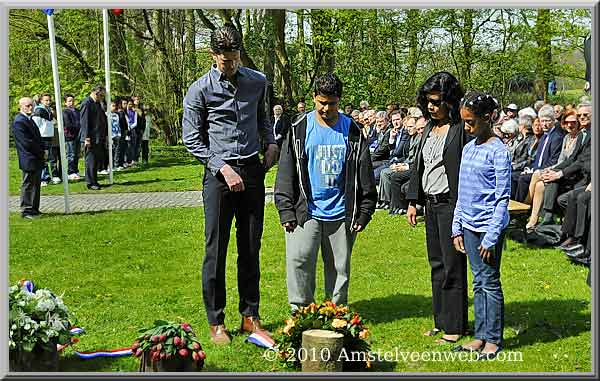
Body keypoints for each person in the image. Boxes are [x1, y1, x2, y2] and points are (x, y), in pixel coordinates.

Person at [182, 24, 278, 345]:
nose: (231, 65)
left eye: (235, 58)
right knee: (216, 249)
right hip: (219, 177)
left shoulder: (258, 82)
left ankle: (250, 315)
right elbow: (192, 139)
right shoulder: (199, 91)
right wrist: (222, 167)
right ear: (213, 56)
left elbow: (263, 119)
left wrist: (272, 143)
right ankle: (216, 320)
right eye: (225, 61)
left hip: (252, 172)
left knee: (251, 247)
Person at [274, 72, 377, 312]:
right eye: (321, 102)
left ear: (339, 101)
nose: (326, 108)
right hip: (305, 211)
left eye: (332, 103)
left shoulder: (351, 130)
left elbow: (365, 175)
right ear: (313, 98)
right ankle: (301, 314)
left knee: (339, 268)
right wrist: (286, 211)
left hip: (342, 212)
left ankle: (336, 314)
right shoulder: (299, 128)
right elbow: (286, 172)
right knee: (299, 263)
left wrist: (364, 212)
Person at [406, 71, 469, 344]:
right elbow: (419, 165)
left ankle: (455, 326)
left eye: (437, 102)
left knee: (453, 264)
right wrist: (413, 200)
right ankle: (440, 321)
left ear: (450, 102)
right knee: (436, 265)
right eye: (428, 101)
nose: (431, 107)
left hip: (451, 205)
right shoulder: (430, 128)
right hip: (430, 205)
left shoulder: (460, 130)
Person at [451, 91, 511, 360]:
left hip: (488, 228)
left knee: (489, 281)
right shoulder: (468, 147)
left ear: (488, 118)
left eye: (471, 122)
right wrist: (457, 226)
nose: (467, 127)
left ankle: (493, 339)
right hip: (469, 226)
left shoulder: (498, 152)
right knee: (478, 281)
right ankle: (480, 334)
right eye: (464, 121)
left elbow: (502, 197)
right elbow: (462, 192)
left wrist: (491, 235)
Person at [524, 110, 581, 231]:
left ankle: (526, 207)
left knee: (538, 174)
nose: (570, 125)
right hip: (560, 170)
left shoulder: (580, 138)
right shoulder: (566, 137)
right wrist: (551, 170)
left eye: (573, 122)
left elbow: (573, 161)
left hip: (571, 176)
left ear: (578, 123)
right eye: (567, 122)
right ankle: (533, 219)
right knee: (539, 185)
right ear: (563, 123)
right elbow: (561, 159)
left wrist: (554, 172)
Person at [13, 97, 45, 219]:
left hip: (36, 156)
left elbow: (37, 138)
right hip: (29, 157)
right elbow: (26, 143)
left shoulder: (29, 119)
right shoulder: (19, 121)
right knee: (28, 184)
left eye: (32, 105)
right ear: (21, 106)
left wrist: (42, 150)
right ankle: (26, 210)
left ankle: (34, 208)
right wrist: (40, 151)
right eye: (27, 106)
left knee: (36, 184)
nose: (30, 108)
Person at [80, 84, 107, 190]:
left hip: (98, 136)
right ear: (96, 93)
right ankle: (90, 182)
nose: (102, 98)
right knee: (90, 160)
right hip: (91, 137)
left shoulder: (97, 103)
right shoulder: (87, 103)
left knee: (95, 160)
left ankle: (94, 180)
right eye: (101, 96)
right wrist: (86, 138)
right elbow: (84, 122)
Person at [32, 93, 59, 186]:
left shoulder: (48, 111)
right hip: (42, 138)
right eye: (46, 100)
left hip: (49, 137)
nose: (48, 102)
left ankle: (48, 177)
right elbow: (35, 125)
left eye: (49, 100)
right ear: (41, 101)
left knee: (49, 157)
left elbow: (54, 122)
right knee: (43, 158)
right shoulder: (39, 110)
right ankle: (43, 178)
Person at [63, 94, 82, 181]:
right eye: (69, 101)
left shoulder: (77, 111)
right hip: (70, 135)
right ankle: (70, 172)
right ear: (65, 102)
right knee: (71, 154)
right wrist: (77, 126)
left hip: (78, 135)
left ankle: (75, 170)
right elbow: (68, 124)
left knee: (77, 154)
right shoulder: (65, 112)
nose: (72, 102)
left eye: (72, 100)